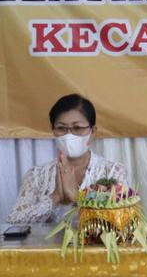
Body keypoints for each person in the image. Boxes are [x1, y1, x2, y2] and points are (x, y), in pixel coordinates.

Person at [7, 94, 128, 224]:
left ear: (93, 131)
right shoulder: (37, 175)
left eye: (77, 128)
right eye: (61, 128)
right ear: (53, 130)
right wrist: (55, 197)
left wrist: (77, 197)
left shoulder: (111, 171)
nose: (69, 135)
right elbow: (14, 220)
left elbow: (123, 219)